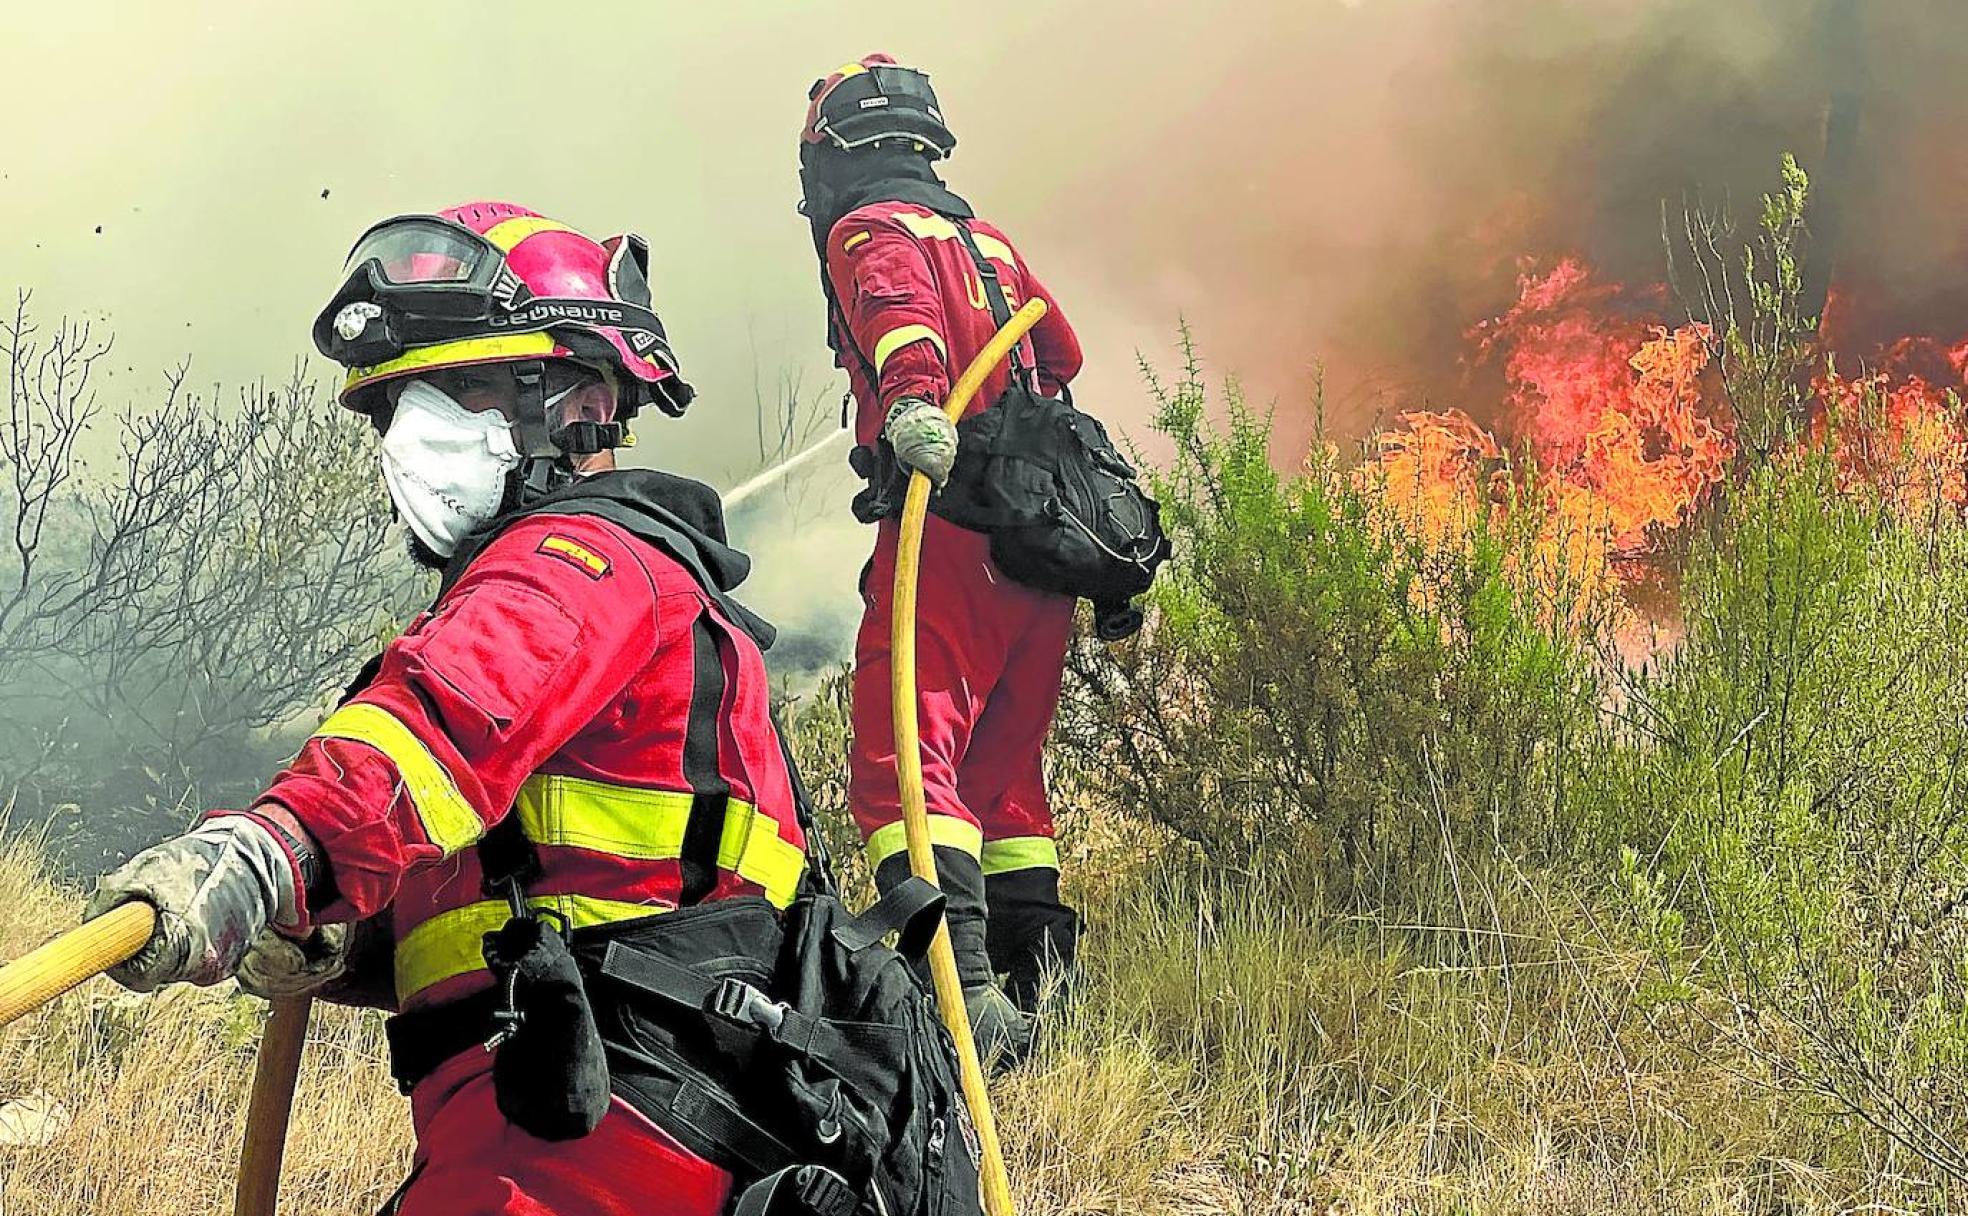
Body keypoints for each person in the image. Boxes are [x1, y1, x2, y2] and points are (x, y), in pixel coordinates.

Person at [85, 202, 809, 1216]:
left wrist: (267, 855)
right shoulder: (601, 593)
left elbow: (441, 726)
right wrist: (348, 941)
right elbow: (562, 894)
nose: (414, 435)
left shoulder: (583, 561)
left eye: (462, 387)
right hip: (556, 1128)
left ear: (581, 398)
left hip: (604, 1150)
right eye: (397, 406)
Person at [798, 55, 1086, 1067]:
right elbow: (1063, 352)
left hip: (949, 529)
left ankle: (958, 1000)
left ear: (833, 154)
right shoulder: (985, 239)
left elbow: (892, 312)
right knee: (1001, 770)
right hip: (1035, 549)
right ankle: (1041, 972)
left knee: (902, 759)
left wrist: (916, 398)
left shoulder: (866, 229)